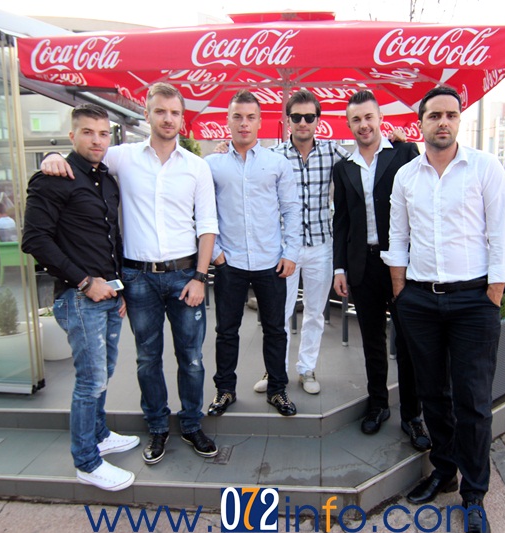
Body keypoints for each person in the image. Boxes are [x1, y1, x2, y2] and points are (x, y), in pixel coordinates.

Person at [40, 83, 220, 467]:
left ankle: (192, 424)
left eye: (174, 112)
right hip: (138, 279)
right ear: (147, 115)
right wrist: (52, 155)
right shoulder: (122, 156)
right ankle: (157, 427)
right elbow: (83, 153)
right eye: (160, 111)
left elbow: (208, 226)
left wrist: (200, 278)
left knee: (191, 358)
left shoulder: (197, 167)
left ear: (182, 118)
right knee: (146, 358)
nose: (168, 118)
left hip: (185, 275)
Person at [383, 86, 505, 533]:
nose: (443, 122)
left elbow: (501, 233)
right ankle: (444, 470)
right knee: (433, 394)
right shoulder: (407, 176)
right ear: (420, 123)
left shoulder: (485, 167)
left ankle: (474, 494)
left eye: (451, 115)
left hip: (474, 301)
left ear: (459, 120)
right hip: (420, 300)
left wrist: (494, 292)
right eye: (434, 115)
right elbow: (397, 235)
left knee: (473, 401)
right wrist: (401, 290)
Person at [22, 103, 138, 492]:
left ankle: (99, 436)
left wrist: (119, 287)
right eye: (88, 132)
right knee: (90, 380)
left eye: (103, 133)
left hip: (110, 295)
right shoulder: (53, 178)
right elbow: (34, 240)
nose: (97, 140)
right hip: (78, 296)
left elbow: (111, 237)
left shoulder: (106, 178)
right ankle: (87, 462)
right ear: (72, 135)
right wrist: (86, 283)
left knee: (104, 372)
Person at [332, 90, 430, 450]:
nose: (363, 125)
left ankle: (412, 415)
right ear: (349, 125)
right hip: (362, 265)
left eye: (368, 117)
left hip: (401, 264)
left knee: (408, 342)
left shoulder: (404, 153)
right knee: (372, 341)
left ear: (380, 119)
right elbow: (341, 221)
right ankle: (377, 405)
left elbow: (423, 199)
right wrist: (339, 268)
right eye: (356, 119)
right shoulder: (343, 167)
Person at [205, 89, 301, 417]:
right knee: (226, 331)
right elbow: (201, 211)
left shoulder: (277, 163)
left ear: (260, 122)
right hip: (229, 263)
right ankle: (224, 390)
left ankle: (277, 390)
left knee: (275, 329)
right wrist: (216, 254)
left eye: (250, 117)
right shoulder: (212, 164)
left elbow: (291, 209)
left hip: (270, 262)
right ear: (228, 121)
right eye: (238, 117)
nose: (244, 123)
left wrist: (290, 252)